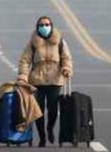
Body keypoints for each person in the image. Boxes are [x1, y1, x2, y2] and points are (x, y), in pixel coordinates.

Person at [17, 16, 73, 147]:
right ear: (37, 27)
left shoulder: (60, 41)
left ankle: (50, 128)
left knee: (53, 109)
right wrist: (23, 75)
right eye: (41, 25)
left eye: (47, 24)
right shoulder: (33, 42)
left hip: (55, 80)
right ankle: (42, 136)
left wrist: (66, 68)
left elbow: (66, 57)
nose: (44, 27)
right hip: (37, 80)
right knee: (38, 110)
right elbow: (25, 60)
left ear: (51, 26)